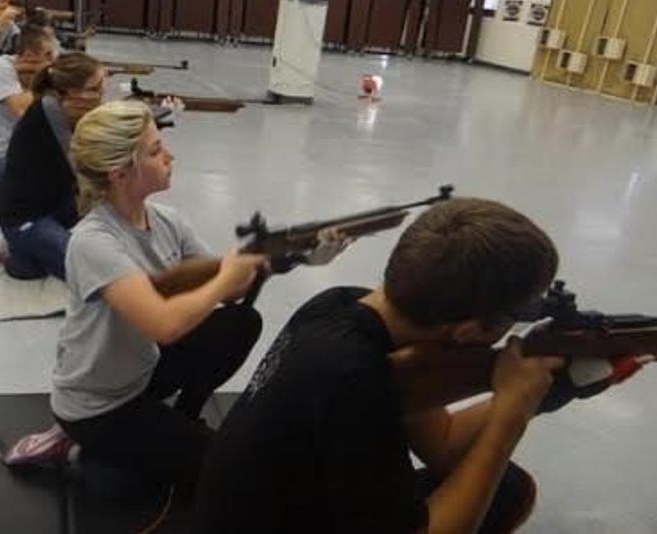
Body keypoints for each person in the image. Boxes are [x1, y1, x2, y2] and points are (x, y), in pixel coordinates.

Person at [190, 197, 568, 533]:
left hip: (266, 509)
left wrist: (541, 391)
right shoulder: (354, 379)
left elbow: (442, 442)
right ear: (469, 331)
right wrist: (510, 415)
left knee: (505, 489)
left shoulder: (336, 305)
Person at [49, 100, 266, 494]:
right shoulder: (92, 241)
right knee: (227, 475)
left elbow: (233, 291)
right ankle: (85, 445)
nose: (169, 155)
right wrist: (224, 278)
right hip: (98, 406)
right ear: (119, 174)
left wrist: (278, 258)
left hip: (142, 372)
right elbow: (165, 325)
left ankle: (182, 419)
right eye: (154, 151)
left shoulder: (167, 220)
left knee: (241, 323)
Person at [0, 52, 105, 280]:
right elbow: (81, 163)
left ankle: (28, 253)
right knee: (89, 274)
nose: (100, 96)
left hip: (57, 207)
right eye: (93, 89)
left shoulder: (60, 106)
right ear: (70, 91)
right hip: (25, 218)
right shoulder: (50, 109)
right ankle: (20, 251)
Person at [0, 25, 56, 200]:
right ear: (29, 55)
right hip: (2, 154)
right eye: (48, 55)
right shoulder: (2, 66)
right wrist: (46, 81)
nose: (52, 60)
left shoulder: (37, 70)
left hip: (28, 151)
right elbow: (22, 109)